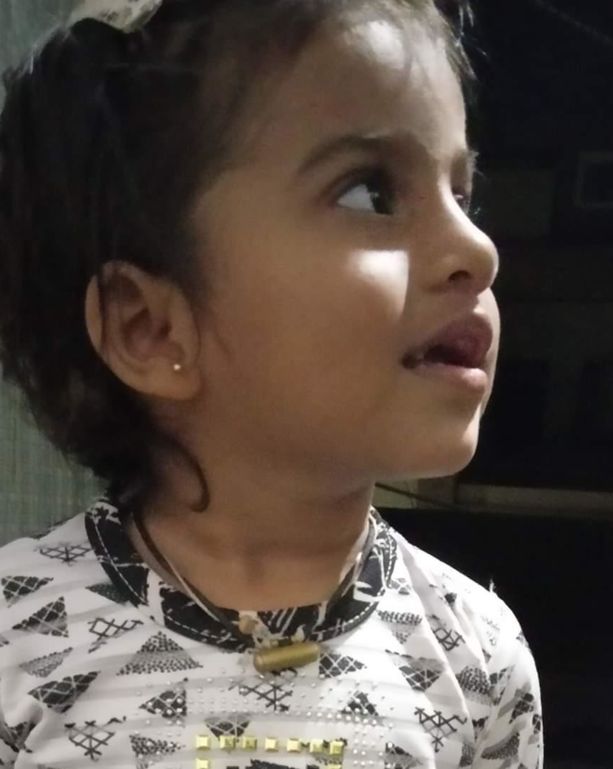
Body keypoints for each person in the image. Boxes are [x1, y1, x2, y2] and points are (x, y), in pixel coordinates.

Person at [0, 0, 543, 767]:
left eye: (463, 193)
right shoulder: (20, 640)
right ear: (150, 329)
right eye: (370, 192)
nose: (477, 247)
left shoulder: (477, 659)